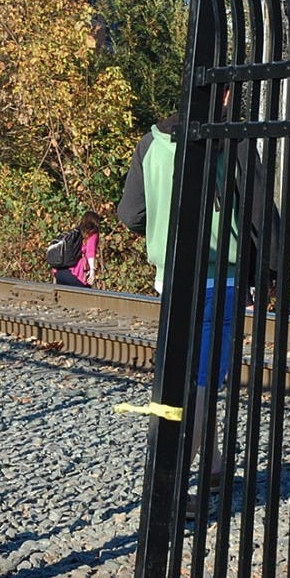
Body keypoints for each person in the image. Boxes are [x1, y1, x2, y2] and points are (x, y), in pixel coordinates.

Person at [117, 114, 237, 517]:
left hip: (170, 279)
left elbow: (130, 214)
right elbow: (254, 209)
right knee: (203, 381)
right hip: (220, 276)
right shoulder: (229, 138)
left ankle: (215, 464)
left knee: (190, 374)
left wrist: (164, 229)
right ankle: (171, 486)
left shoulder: (151, 143)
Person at [53, 210, 101, 288]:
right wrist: (92, 270)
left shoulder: (75, 232)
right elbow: (90, 252)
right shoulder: (92, 234)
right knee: (86, 296)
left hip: (59, 272)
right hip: (76, 275)